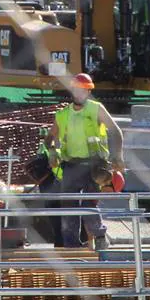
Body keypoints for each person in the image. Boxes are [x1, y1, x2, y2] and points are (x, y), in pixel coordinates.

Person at [48, 73, 125, 251]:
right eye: (77, 89)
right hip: (71, 165)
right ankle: (71, 247)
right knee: (69, 207)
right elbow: (49, 138)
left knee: (89, 204)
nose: (80, 93)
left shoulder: (96, 109)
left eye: (84, 90)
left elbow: (115, 131)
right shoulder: (63, 115)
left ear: (88, 91)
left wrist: (118, 155)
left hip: (94, 164)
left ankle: (99, 239)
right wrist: (52, 151)